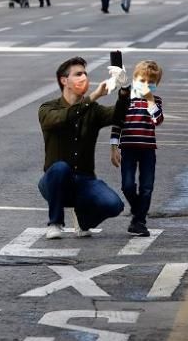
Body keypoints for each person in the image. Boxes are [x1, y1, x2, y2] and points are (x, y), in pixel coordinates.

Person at [39, 57, 128, 239]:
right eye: (78, 74)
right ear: (65, 81)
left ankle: (83, 220)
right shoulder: (48, 108)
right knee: (60, 167)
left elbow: (120, 115)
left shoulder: (93, 110)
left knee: (114, 205)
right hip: (55, 182)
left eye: (85, 74)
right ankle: (55, 223)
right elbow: (63, 118)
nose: (84, 77)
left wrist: (124, 88)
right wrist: (93, 96)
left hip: (84, 180)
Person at [110, 60, 164, 237]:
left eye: (151, 83)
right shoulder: (127, 99)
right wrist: (113, 147)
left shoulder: (155, 101)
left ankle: (139, 221)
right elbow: (117, 123)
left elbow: (158, 120)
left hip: (148, 150)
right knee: (127, 185)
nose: (146, 86)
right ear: (134, 80)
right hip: (128, 148)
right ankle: (137, 211)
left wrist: (150, 100)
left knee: (147, 187)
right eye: (142, 81)